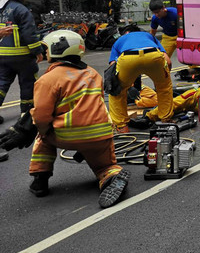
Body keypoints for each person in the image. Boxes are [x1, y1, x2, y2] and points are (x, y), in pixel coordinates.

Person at [27, 30, 130, 208]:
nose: (45, 53)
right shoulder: (93, 74)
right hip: (100, 136)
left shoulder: (48, 79)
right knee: (106, 167)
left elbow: (42, 116)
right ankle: (110, 176)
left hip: (66, 136)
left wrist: (42, 131)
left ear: (56, 48)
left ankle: (40, 180)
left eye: (47, 49)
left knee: (42, 135)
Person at [0, 0, 44, 162]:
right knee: (28, 86)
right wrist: (37, 51)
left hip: (2, 56)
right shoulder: (21, 10)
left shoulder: (2, 8)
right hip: (23, 57)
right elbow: (29, 34)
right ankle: (26, 116)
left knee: (2, 85)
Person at [108, 24, 173, 133]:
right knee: (164, 88)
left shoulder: (120, 40)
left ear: (126, 33)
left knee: (117, 93)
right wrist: (164, 78)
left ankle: (122, 127)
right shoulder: (149, 36)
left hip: (128, 57)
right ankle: (166, 120)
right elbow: (168, 61)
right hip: (153, 55)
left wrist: (119, 86)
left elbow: (112, 66)